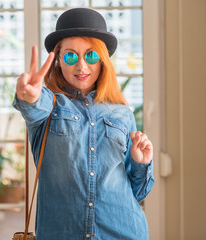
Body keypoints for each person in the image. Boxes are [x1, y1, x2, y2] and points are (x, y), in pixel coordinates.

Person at [13, 8, 154, 240]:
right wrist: (29, 96)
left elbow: (138, 193)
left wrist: (141, 163)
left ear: (102, 60)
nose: (81, 66)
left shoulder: (122, 113)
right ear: (58, 60)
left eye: (90, 56)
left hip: (123, 232)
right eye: (70, 56)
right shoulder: (51, 104)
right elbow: (34, 105)